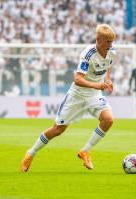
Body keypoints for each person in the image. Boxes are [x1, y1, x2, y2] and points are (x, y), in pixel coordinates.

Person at [20, 24, 116, 172]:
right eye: (108, 41)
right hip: (77, 95)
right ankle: (30, 153)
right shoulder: (88, 54)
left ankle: (85, 151)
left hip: (94, 95)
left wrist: (108, 80)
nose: (111, 45)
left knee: (108, 119)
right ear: (98, 40)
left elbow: (108, 65)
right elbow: (78, 79)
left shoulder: (111, 52)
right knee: (58, 129)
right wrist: (96, 85)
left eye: (112, 41)